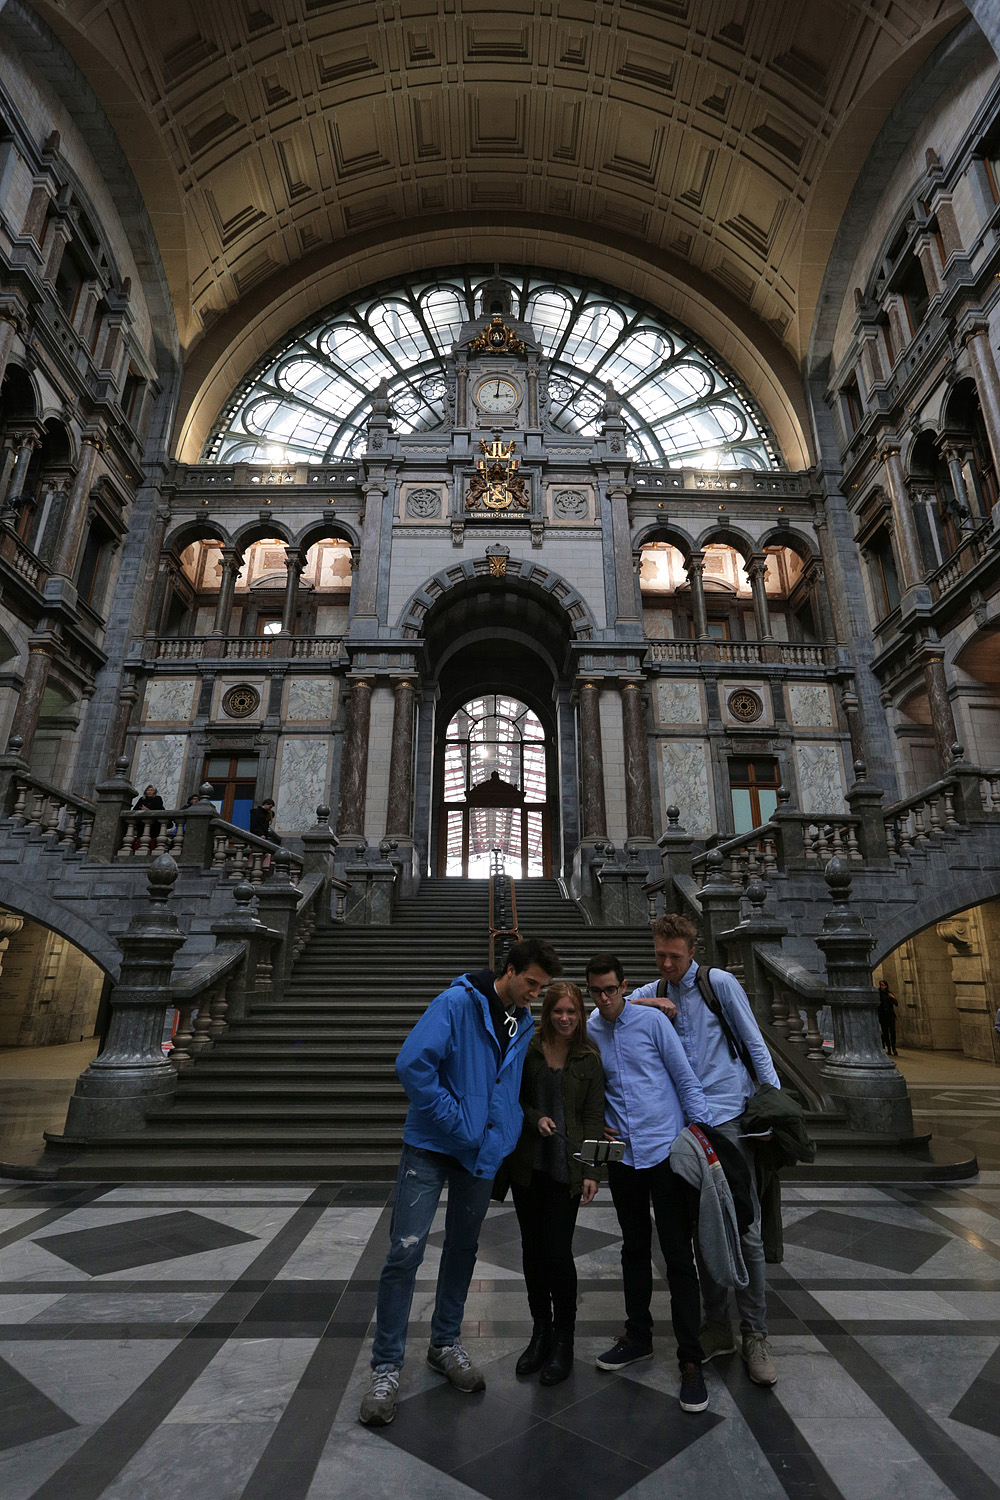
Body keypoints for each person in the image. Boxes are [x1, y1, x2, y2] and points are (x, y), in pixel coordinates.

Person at [359, 936, 561, 1429]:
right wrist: (456, 1119)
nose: (535, 993)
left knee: (463, 1248)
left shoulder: (523, 1020)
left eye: (542, 987)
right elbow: (412, 1065)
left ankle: (445, 1343)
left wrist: (504, 1129)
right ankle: (386, 1367)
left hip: (481, 1154)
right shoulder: (455, 1003)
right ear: (509, 970)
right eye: (531, 983)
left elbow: (506, 1087)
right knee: (405, 1251)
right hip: (430, 1147)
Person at [629, 913, 781, 1388]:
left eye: (675, 955)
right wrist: (652, 997)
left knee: (746, 1229)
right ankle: (717, 1326)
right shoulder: (657, 991)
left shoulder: (719, 984)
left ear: (693, 950)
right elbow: (611, 1007)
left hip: (730, 1119)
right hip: (689, 1128)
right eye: (660, 955)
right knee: (703, 1230)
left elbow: (755, 1045)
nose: (668, 962)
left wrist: (772, 1107)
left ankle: (755, 1332)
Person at [585, 951, 712, 1414]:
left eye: (611, 990)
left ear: (625, 986)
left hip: (664, 1149)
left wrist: (703, 1140)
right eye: (596, 992)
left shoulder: (652, 1024)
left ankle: (690, 1359)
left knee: (678, 1254)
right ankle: (638, 1336)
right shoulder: (589, 1029)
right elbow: (586, 1088)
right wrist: (595, 1123)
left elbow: (685, 1079)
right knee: (634, 1247)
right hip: (624, 1158)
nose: (604, 999)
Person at [507, 981, 605, 1385]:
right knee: (532, 1251)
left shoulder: (587, 1058)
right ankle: (540, 1331)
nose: (565, 1019)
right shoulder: (527, 1052)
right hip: (529, 1164)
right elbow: (511, 1098)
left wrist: (592, 1172)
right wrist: (534, 1118)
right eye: (557, 1012)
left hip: (567, 1165)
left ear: (580, 1015)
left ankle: (564, 1338)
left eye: (572, 1012)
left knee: (558, 1253)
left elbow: (595, 1116)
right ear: (546, 1014)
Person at [877, 979, 899, 1056]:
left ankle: (893, 1047)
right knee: (885, 1032)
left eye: (883, 985)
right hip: (883, 1016)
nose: (881, 986)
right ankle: (889, 1047)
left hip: (890, 1015)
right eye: (880, 985)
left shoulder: (889, 993)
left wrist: (893, 998)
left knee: (892, 1031)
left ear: (886, 986)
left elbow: (896, 1003)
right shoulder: (878, 993)